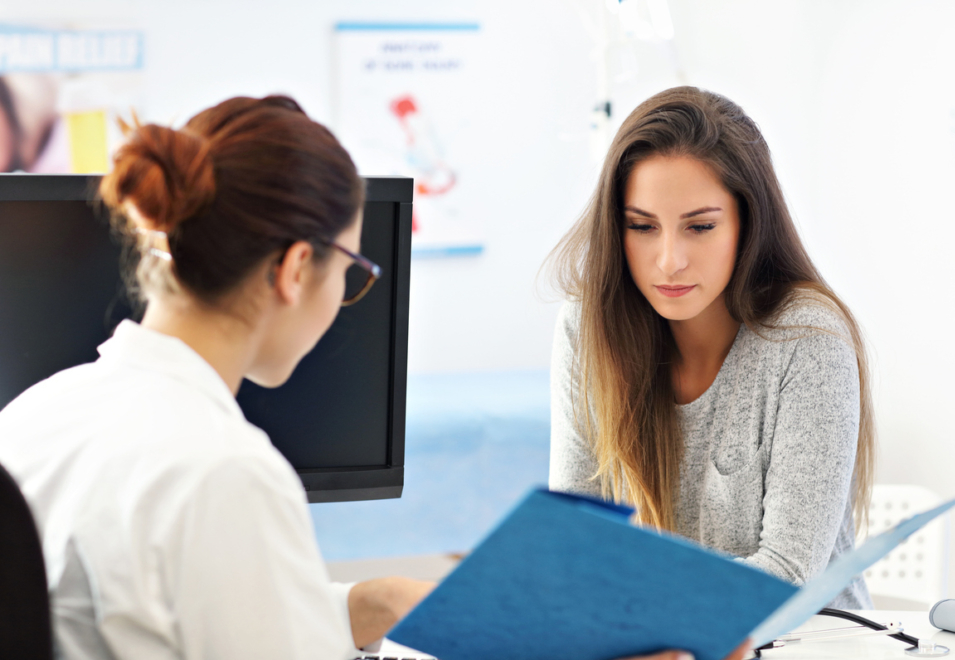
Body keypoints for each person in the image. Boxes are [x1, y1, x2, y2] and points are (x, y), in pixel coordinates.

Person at [0, 95, 748, 660]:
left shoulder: (33, 417)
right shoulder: (224, 475)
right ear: (297, 270)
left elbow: (170, 610)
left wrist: (375, 602)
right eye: (352, 271)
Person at [547, 86, 875, 609]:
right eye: (641, 226)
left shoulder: (807, 339)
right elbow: (573, 542)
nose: (669, 260)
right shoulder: (587, 330)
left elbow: (784, 576)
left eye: (700, 227)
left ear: (749, 222)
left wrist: (620, 587)